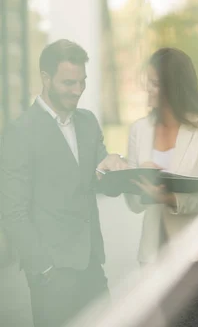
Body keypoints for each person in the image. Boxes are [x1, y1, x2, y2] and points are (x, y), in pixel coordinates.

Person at [0, 39, 128, 327]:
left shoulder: (88, 122)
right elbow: (12, 212)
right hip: (51, 275)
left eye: (82, 82)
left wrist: (115, 167)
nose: (78, 90)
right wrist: (42, 268)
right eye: (69, 82)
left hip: (92, 265)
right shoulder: (20, 133)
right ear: (46, 78)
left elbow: (102, 184)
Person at [124, 47, 198, 327]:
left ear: (176, 85)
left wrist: (169, 197)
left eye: (156, 83)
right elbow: (133, 204)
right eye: (149, 82)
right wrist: (133, 184)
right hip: (154, 255)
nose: (150, 90)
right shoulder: (139, 130)